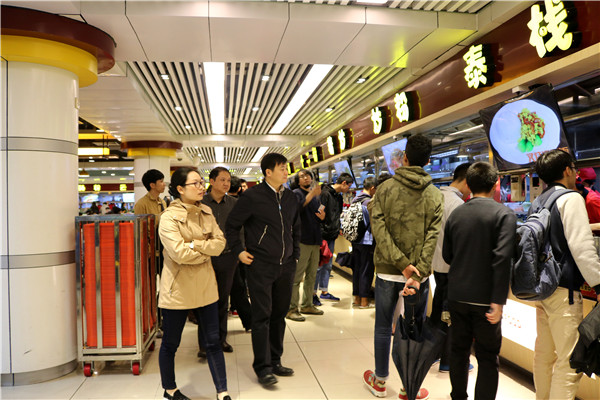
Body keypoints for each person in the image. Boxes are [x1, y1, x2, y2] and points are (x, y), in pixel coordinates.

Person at [363, 134, 443, 400]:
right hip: (418, 277)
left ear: (404, 158)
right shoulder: (435, 194)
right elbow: (432, 237)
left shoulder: (384, 189)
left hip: (388, 271)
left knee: (383, 326)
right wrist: (415, 270)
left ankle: (380, 381)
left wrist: (401, 264)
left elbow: (379, 231)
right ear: (428, 161)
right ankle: (409, 386)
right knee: (414, 327)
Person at [225, 153, 301, 387]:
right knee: (262, 316)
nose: (286, 172)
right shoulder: (252, 196)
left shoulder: (290, 197)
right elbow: (231, 225)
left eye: (286, 168)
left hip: (285, 266)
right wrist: (238, 251)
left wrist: (295, 255)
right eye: (281, 168)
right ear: (268, 172)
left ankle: (275, 360)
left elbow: (295, 227)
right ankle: (262, 367)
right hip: (260, 266)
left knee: (279, 314)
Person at [442, 162, 516, 400]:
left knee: (458, 351)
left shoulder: (457, 213)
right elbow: (502, 259)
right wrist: (498, 300)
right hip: (486, 298)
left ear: (469, 184)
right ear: (495, 184)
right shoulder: (504, 214)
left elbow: (447, 255)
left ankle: (458, 397)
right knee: (487, 357)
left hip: (457, 294)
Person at [531, 150, 600, 400]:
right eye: (574, 167)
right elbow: (582, 247)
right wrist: (599, 284)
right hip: (563, 292)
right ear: (567, 170)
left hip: (542, 289)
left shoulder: (540, 200)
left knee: (544, 356)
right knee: (570, 363)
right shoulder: (571, 198)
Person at [158, 167, 230, 400]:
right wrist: (205, 250)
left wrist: (194, 245)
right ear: (180, 189)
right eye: (195, 183)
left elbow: (220, 244)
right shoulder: (168, 217)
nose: (201, 187)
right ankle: (170, 390)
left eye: (201, 182)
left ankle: (222, 391)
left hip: (206, 286)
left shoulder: (206, 211)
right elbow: (179, 253)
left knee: (213, 342)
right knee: (171, 343)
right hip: (177, 289)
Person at [430, 162, 471, 373]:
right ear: (466, 181)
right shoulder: (457, 204)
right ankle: (448, 361)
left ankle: (433, 355)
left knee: (439, 311)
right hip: (452, 267)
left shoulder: (436, 197)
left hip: (437, 265)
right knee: (451, 316)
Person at [197, 167, 238, 357]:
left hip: (228, 257)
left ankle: (221, 339)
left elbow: (239, 228)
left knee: (223, 300)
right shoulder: (200, 203)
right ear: (211, 181)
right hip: (205, 258)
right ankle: (204, 344)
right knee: (204, 300)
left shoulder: (234, 204)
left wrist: (239, 251)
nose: (226, 184)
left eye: (228, 180)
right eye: (222, 180)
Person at [287, 169, 326, 322]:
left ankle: (307, 304)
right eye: (302, 176)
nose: (306, 178)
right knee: (297, 276)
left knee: (312, 275)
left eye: (308, 175)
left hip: (315, 239)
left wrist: (322, 217)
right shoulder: (295, 193)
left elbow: (316, 214)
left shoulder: (314, 196)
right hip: (302, 240)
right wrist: (311, 194)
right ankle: (292, 308)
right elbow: (296, 209)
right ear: (297, 181)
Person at [134, 169, 168, 337]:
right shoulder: (141, 204)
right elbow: (140, 229)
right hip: (149, 253)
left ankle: (162, 320)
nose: (164, 184)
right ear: (152, 185)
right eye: (161, 181)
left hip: (163, 251)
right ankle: (151, 322)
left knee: (166, 286)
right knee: (150, 289)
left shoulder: (163, 202)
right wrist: (162, 216)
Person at [313, 172, 354, 305]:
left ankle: (324, 291)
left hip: (332, 234)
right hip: (322, 235)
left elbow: (337, 214)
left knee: (328, 264)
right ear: (343, 183)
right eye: (348, 186)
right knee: (319, 265)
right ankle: (312, 293)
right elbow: (319, 212)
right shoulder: (325, 194)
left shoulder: (338, 197)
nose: (349, 189)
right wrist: (323, 225)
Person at [351, 176, 377, 309]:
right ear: (372, 188)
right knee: (366, 270)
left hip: (355, 240)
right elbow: (374, 223)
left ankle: (356, 299)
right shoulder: (369, 202)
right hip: (366, 241)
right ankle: (364, 301)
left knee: (357, 269)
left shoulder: (355, 199)